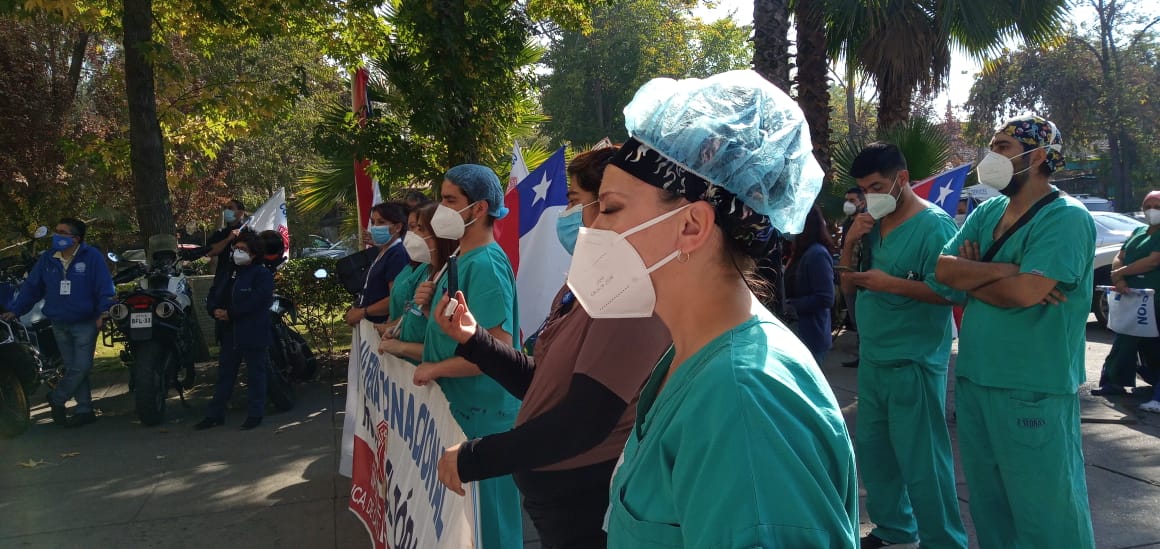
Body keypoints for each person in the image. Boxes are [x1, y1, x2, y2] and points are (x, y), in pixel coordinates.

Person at [571, 70, 856, 547]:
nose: (592, 227)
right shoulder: (694, 355)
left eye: (611, 208)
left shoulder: (744, 402)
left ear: (692, 226)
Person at [429, 147, 672, 549]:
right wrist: (475, 341)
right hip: (558, 503)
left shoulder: (632, 300)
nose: (571, 215)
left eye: (578, 202)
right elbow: (543, 383)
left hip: (587, 504)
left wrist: (474, 457)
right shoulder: (587, 284)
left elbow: (582, 422)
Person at [935, 114, 1095, 548]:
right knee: (991, 507)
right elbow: (944, 269)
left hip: (1032, 386)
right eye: (992, 147)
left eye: (1003, 147)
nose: (990, 157)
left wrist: (976, 276)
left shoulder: (1065, 218)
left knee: (1047, 511)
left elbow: (1024, 293)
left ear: (1038, 156)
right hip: (976, 379)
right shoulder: (989, 211)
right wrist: (1007, 271)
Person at [839, 142, 968, 549]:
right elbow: (847, 286)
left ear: (902, 179)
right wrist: (849, 243)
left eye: (877, 187)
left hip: (913, 363)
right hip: (875, 360)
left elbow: (951, 292)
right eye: (864, 190)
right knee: (876, 455)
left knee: (924, 461)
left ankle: (944, 541)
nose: (869, 197)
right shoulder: (871, 226)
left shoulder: (935, 226)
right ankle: (894, 529)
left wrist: (891, 284)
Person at [400, 164, 524, 549]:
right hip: (464, 409)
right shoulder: (460, 258)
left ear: (479, 208)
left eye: (450, 200)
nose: (440, 210)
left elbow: (498, 349)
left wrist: (434, 368)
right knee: (471, 521)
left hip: (486, 414)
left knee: (493, 523)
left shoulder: (485, 264)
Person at [3, 218, 115, 427]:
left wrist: (104, 312)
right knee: (73, 367)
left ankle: (57, 397)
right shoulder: (48, 258)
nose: (57, 235)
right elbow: (32, 288)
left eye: (62, 232)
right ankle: (84, 410)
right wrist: (16, 310)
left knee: (82, 366)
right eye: (56, 231)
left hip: (84, 321)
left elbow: (104, 286)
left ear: (76, 238)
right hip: (58, 322)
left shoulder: (91, 257)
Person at [196, 231, 275, 431]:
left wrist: (232, 313)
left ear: (254, 254)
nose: (237, 252)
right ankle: (215, 414)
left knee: (256, 374)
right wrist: (214, 310)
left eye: (243, 250)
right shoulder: (228, 271)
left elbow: (259, 300)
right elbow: (214, 293)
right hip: (229, 332)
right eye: (236, 248)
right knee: (225, 374)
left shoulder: (261, 274)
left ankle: (255, 414)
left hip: (252, 330)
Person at [1092, 190, 1160, 411]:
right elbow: (1119, 256)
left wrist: (1120, 272)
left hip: (1154, 298)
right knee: (1125, 340)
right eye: (1148, 206)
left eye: (1157, 207)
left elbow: (1153, 261)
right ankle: (1114, 382)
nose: (1152, 211)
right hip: (1131, 298)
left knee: (1154, 343)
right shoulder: (1139, 231)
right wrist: (1119, 278)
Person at [379, 203, 458, 361]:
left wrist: (402, 347)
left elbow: (451, 346)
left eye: (419, 228)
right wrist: (399, 331)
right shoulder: (427, 271)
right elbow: (417, 316)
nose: (413, 235)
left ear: (440, 234)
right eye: (411, 228)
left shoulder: (453, 278)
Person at [343, 202, 410, 326]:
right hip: (368, 323)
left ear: (398, 227)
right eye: (373, 222)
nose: (375, 227)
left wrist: (363, 312)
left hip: (381, 326)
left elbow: (396, 298)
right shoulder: (384, 251)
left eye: (381, 222)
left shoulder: (397, 254)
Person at [785, 205, 835, 364]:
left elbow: (826, 298)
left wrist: (790, 305)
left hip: (810, 336)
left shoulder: (817, 254)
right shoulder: (802, 252)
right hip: (799, 334)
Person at [840, 187, 866, 368]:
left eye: (852, 200)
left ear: (862, 203)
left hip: (860, 277)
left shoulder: (866, 223)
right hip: (848, 276)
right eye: (846, 200)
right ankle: (861, 355)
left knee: (862, 321)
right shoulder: (848, 223)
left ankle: (865, 356)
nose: (847, 204)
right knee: (856, 320)